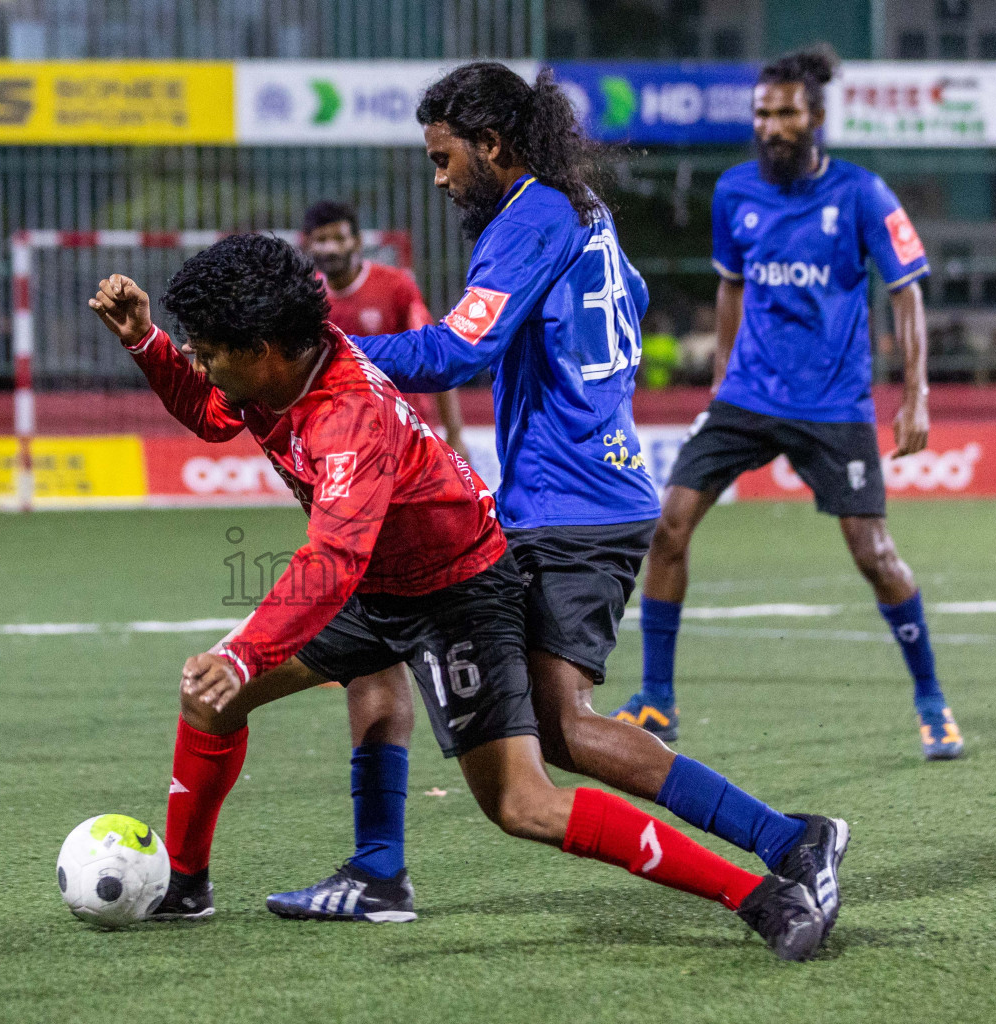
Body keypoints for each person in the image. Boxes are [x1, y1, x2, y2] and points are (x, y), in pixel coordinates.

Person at [89, 234, 830, 961]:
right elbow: (217, 415)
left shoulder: (347, 418)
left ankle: (759, 896)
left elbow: (335, 556)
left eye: (208, 349)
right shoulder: (281, 372)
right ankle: (191, 887)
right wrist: (147, 343)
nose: (201, 362)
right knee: (210, 698)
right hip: (379, 581)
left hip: (457, 597)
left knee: (522, 804)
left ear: (262, 347)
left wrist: (248, 652)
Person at [267, 62, 848, 942]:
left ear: (491, 145)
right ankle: (378, 865)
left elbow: (462, 350)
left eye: (444, 156)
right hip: (575, 493)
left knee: (557, 724)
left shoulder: (529, 214)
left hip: (571, 506)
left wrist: (321, 353)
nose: (439, 176)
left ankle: (787, 840)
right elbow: (635, 300)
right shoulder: (580, 211)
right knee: (474, 678)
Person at [612, 46, 965, 762]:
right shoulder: (736, 191)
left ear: (816, 117)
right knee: (669, 527)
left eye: (785, 113)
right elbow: (731, 287)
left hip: (834, 404)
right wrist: (718, 385)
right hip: (746, 395)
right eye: (762, 114)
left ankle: (933, 701)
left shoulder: (863, 194)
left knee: (874, 552)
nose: (771, 126)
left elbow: (907, 293)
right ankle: (656, 700)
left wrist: (914, 395)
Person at [301, 200, 471, 461]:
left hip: (405, 431)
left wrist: (455, 434)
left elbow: (434, 353)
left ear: (357, 242)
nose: (331, 248)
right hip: (344, 438)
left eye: (339, 238)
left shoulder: (396, 286)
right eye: (321, 240)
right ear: (308, 245)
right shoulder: (306, 299)